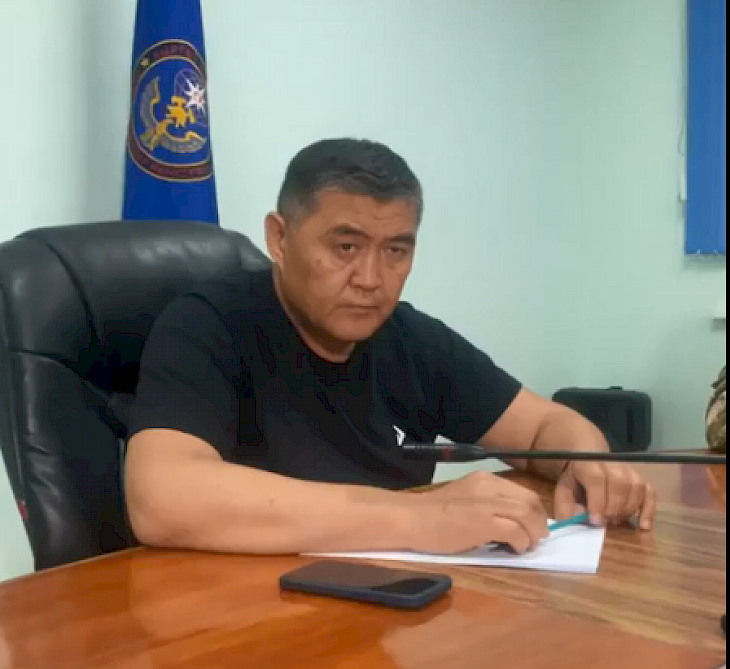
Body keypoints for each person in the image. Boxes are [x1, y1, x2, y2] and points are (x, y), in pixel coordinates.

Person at [125, 138, 657, 557]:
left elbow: (543, 427)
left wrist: (588, 461)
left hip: (384, 611)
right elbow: (162, 498)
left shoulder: (409, 338)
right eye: (345, 247)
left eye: (396, 251)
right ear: (279, 239)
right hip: (240, 618)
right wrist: (416, 519)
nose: (371, 279)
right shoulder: (208, 324)